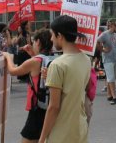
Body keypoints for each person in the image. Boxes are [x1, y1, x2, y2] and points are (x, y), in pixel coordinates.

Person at [38, 15, 91, 143]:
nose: (51, 39)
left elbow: (54, 107)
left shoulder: (58, 64)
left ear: (60, 36)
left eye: (52, 35)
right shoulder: (86, 59)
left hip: (61, 133)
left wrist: (41, 138)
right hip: (79, 129)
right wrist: (50, 76)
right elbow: (75, 86)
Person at [3, 29, 53, 143]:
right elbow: (38, 64)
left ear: (38, 42)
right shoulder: (48, 59)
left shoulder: (34, 61)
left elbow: (13, 71)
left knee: (28, 140)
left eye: (33, 42)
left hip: (36, 108)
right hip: (46, 105)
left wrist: (8, 57)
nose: (32, 44)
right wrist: (32, 54)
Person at [96, 20, 116, 104]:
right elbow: (97, 42)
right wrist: (103, 50)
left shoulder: (114, 34)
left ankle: (109, 95)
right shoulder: (105, 34)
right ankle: (114, 97)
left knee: (112, 77)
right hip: (108, 59)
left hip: (115, 58)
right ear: (112, 26)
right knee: (111, 78)